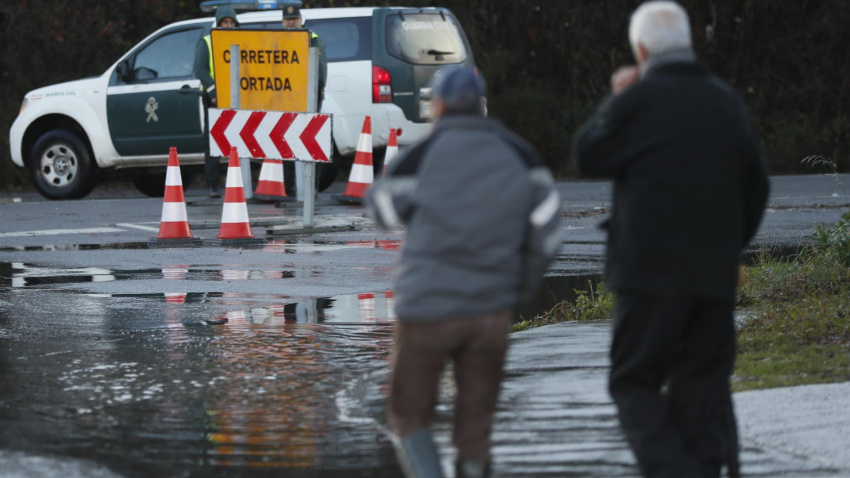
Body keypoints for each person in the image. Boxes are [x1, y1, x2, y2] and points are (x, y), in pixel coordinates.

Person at [571, 2, 769, 477]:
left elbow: (587, 156)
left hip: (648, 275)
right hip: (713, 275)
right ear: (690, 43)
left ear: (640, 49)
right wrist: (729, 245)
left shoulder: (637, 102)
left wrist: (615, 99)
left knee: (633, 381)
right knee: (700, 389)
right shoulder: (725, 101)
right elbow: (757, 184)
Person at [367, 67, 561, 478]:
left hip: (426, 311)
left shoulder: (420, 156)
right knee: (476, 425)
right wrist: (518, 289)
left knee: (410, 414)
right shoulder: (519, 153)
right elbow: (548, 234)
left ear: (437, 106)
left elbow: (382, 209)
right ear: (482, 105)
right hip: (490, 311)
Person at [281, 4, 328, 197]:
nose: (291, 23)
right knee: (285, 140)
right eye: (288, 20)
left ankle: (311, 187)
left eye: (294, 19)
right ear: (283, 22)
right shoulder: (278, 40)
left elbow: (320, 72)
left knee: (309, 140)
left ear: (301, 20)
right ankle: (290, 187)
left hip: (307, 97)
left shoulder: (313, 39)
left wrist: (313, 97)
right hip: (285, 97)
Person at [193, 6, 239, 198]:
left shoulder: (241, 40)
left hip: (236, 96)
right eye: (224, 22)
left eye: (231, 23)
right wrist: (214, 92)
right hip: (213, 98)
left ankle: (237, 182)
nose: (228, 26)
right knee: (213, 140)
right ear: (218, 23)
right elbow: (201, 70)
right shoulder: (207, 42)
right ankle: (214, 185)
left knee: (238, 140)